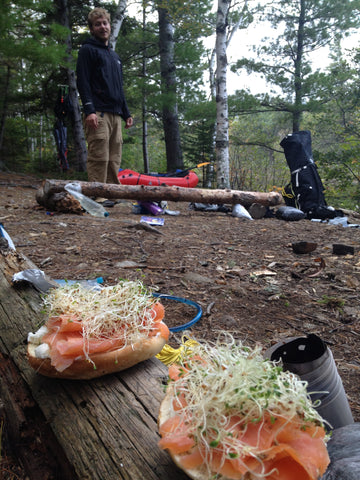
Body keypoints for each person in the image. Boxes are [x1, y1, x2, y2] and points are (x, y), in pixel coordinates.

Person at [76, 7, 133, 203]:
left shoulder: (114, 57)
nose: (102, 27)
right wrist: (89, 110)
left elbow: (119, 87)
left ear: (110, 25)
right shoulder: (87, 50)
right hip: (98, 113)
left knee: (114, 157)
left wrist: (126, 113)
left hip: (115, 114)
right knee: (99, 156)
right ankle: (96, 196)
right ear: (92, 28)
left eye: (105, 23)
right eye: (97, 24)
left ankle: (112, 194)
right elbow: (83, 82)